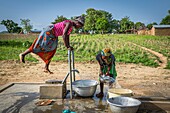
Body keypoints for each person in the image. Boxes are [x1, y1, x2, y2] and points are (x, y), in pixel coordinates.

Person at [19, 16, 85, 74]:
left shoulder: (71, 26)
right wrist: (67, 46)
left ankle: (46, 67)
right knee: (38, 45)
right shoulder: (69, 23)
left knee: (52, 50)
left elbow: (67, 36)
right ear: (77, 22)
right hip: (49, 31)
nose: (79, 27)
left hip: (53, 35)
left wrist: (69, 46)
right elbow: (64, 35)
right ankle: (23, 54)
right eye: (80, 26)